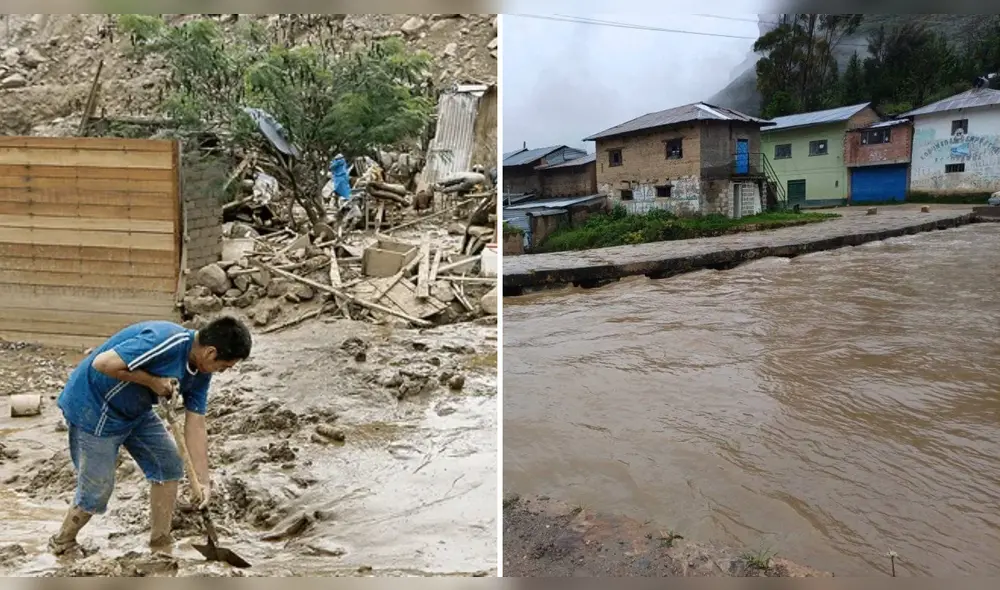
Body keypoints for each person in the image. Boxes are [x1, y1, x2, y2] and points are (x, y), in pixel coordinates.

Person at [48, 316, 253, 555]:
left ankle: (160, 542)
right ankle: (63, 542)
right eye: (225, 366)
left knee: (168, 466)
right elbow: (103, 363)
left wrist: (203, 481)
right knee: (97, 489)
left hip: (135, 411)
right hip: (94, 408)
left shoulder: (201, 373)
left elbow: (196, 423)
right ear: (210, 352)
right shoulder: (165, 341)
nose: (223, 372)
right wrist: (152, 382)